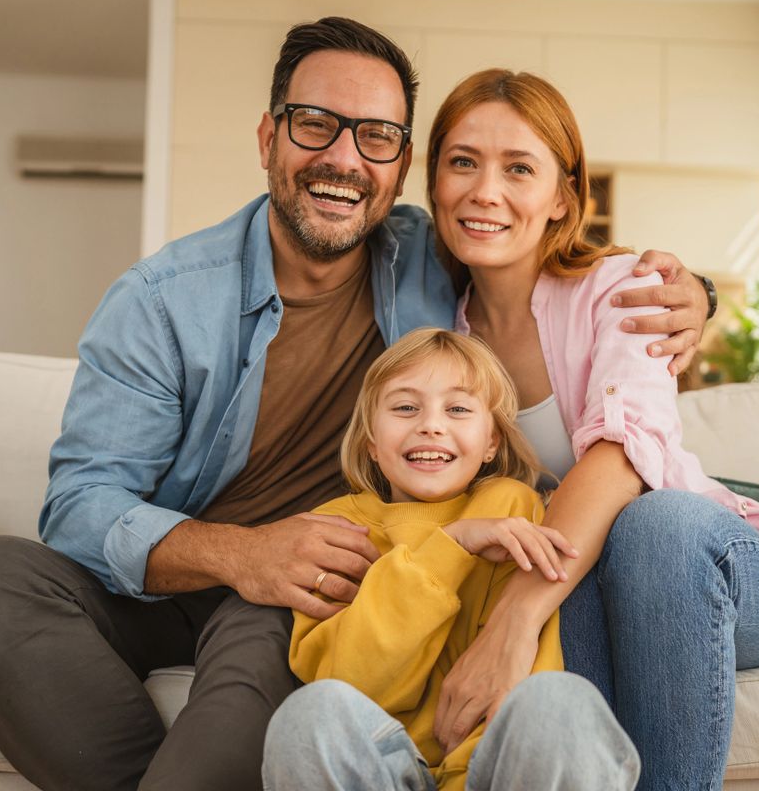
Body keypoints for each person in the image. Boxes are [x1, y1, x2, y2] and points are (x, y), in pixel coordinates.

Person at [0, 17, 709, 791]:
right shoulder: (160, 302)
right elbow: (81, 504)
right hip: (188, 572)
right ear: (269, 137)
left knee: (255, 692)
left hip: (312, 586)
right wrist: (244, 554)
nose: (343, 159)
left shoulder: (429, 256)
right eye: (316, 125)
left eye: (376, 137)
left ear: (399, 171)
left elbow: (538, 256)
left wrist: (692, 295)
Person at [422, 68, 759, 789]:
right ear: (432, 179)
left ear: (563, 196)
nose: (484, 191)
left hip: (724, 569)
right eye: (463, 161)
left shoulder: (621, 290)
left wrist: (511, 624)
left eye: (518, 168)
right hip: (596, 585)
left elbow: (622, 457)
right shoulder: (440, 337)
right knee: (569, 561)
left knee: (650, 525)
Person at [262, 327, 641, 791]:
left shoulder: (513, 506)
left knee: (561, 702)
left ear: (491, 443)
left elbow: (521, 679)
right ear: (370, 443)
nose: (431, 424)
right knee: (310, 715)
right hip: (380, 763)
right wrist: (452, 545)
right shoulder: (334, 528)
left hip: (490, 767)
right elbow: (350, 681)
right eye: (405, 407)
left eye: (458, 409)